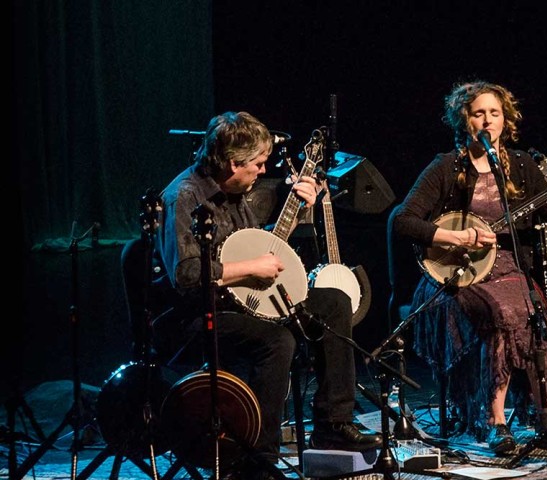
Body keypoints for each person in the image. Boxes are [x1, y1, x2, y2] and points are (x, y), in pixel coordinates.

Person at [152, 111, 382, 478]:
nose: (263, 171)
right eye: (258, 164)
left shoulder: (236, 192)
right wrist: (251, 268)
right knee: (277, 340)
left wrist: (298, 211)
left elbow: (251, 247)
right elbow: (187, 275)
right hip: (196, 315)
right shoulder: (183, 197)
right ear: (232, 162)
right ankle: (258, 456)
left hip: (243, 299)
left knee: (333, 301)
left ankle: (333, 424)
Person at [391, 80, 547, 454]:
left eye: (494, 113)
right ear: (465, 120)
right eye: (479, 113)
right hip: (457, 276)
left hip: (510, 268)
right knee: (501, 311)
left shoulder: (522, 166)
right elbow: (403, 221)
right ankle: (495, 422)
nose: (488, 120)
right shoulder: (446, 168)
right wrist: (457, 239)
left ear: (505, 119)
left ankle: (546, 417)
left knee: (531, 311)